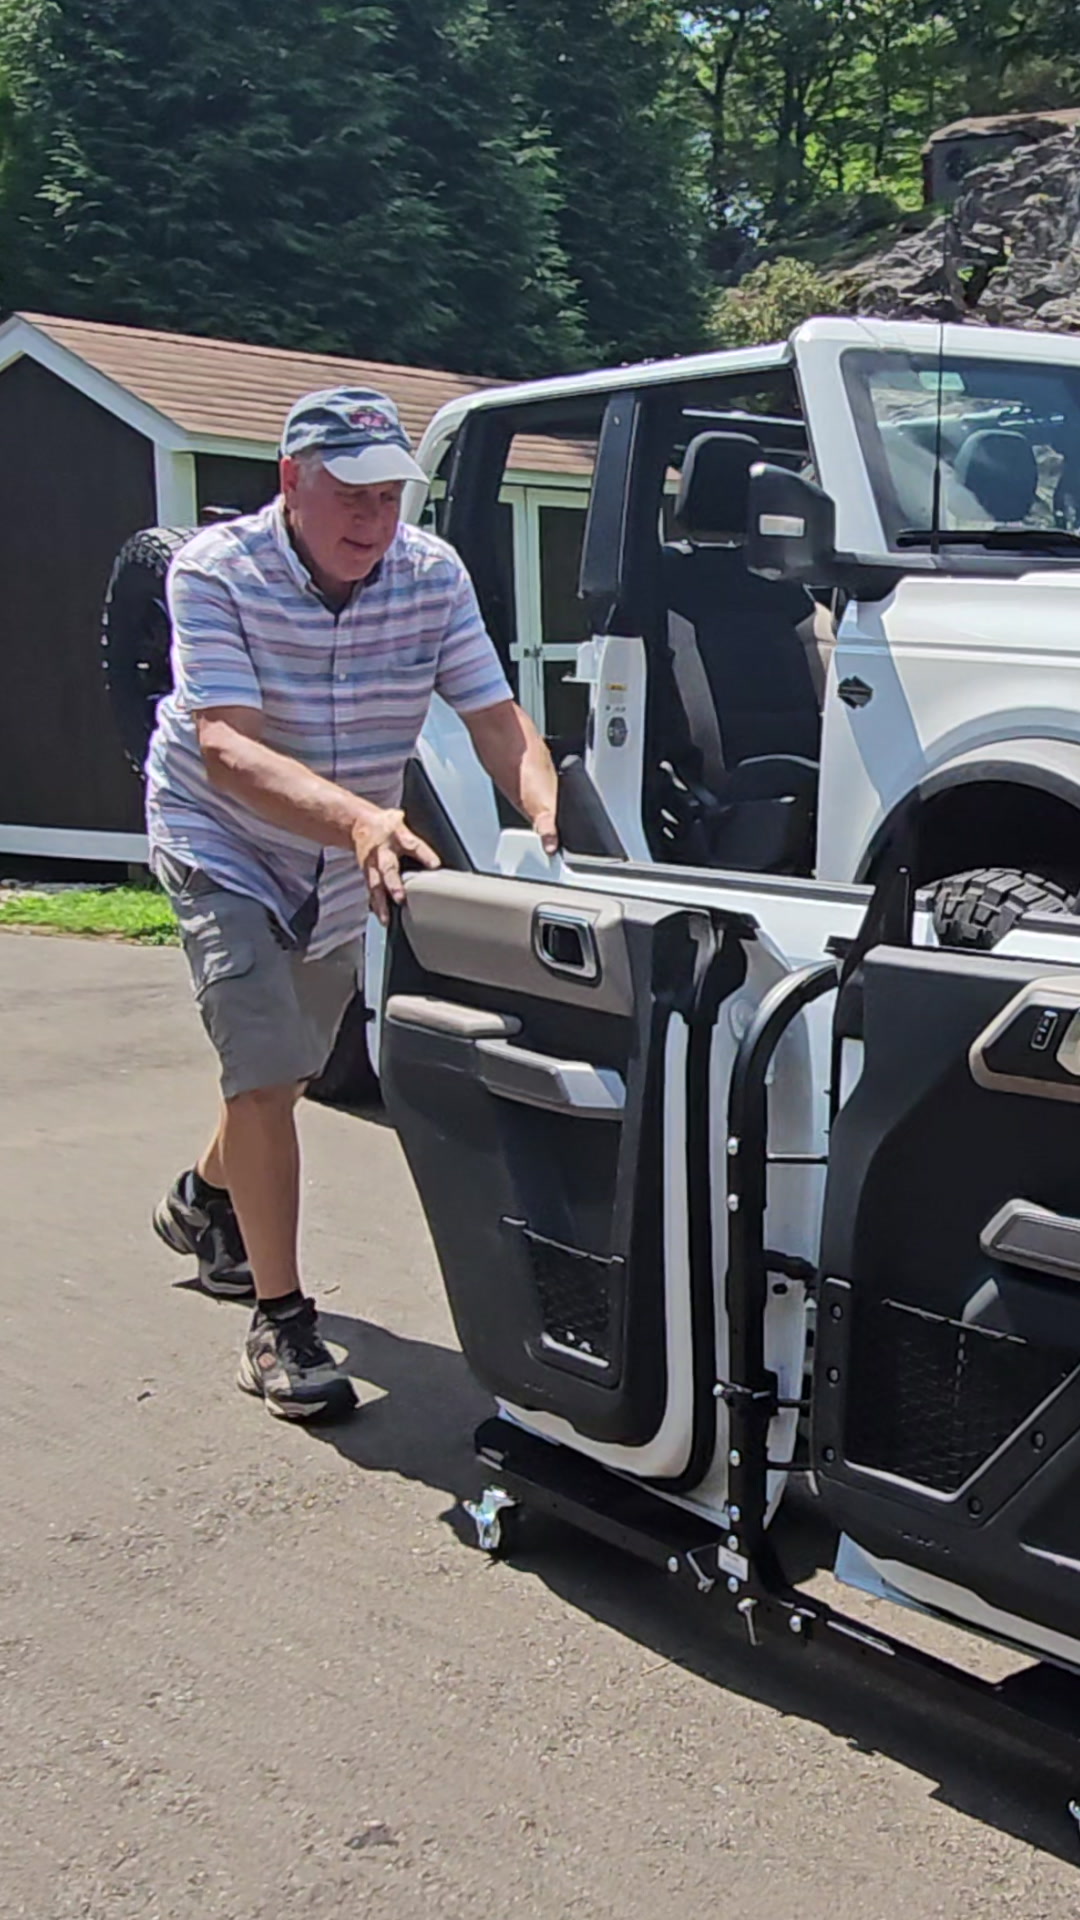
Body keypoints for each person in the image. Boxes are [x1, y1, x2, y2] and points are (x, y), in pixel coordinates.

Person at [147, 386, 558, 1421]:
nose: (375, 523)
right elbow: (227, 749)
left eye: (390, 498)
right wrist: (367, 822)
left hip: (343, 858)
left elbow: (495, 718)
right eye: (353, 497)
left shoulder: (431, 574)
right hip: (223, 838)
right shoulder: (215, 571)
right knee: (261, 1057)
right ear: (292, 481)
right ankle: (279, 1324)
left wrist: (557, 822)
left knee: (280, 1073)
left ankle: (206, 1200)